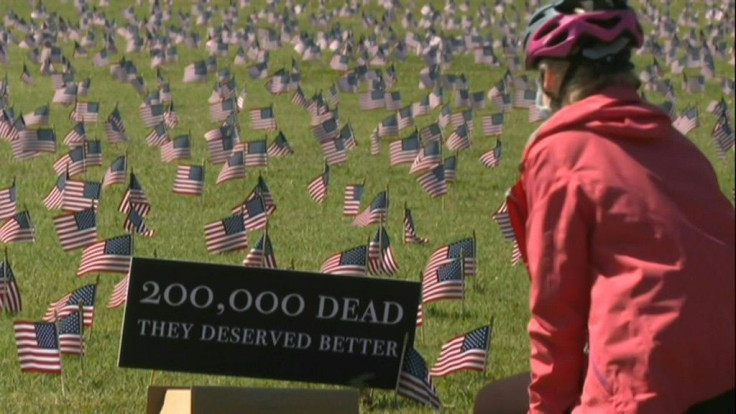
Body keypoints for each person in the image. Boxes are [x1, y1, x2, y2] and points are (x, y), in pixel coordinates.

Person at [475, 0, 735, 412]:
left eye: (546, 73)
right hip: (723, 377)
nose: (544, 88)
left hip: (645, 385)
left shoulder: (562, 152)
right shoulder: (683, 149)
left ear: (564, 74)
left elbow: (556, 311)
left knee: (495, 404)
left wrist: (546, 408)